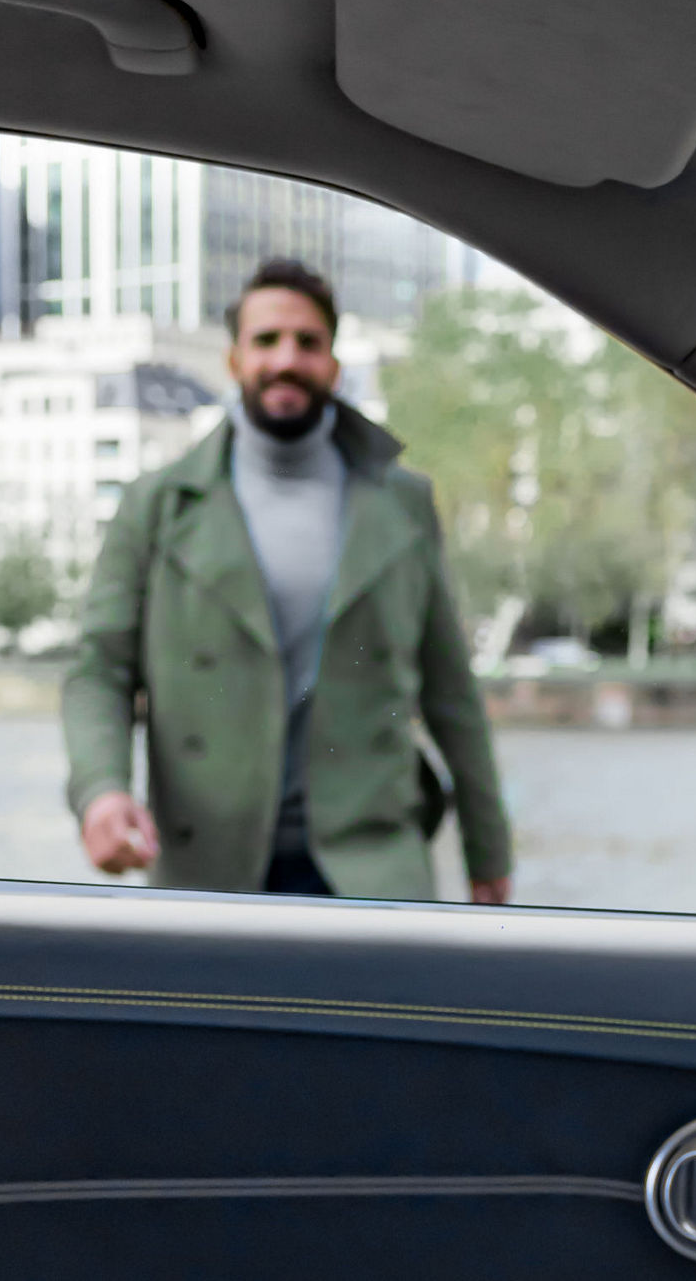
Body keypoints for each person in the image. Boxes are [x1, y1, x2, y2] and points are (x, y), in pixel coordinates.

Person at [62, 259, 514, 902]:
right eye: (266, 340)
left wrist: (487, 852)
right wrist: (101, 793)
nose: (286, 359)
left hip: (374, 869)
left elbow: (452, 695)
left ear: (333, 363)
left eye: (308, 342)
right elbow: (98, 670)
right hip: (206, 871)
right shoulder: (157, 506)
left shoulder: (402, 502)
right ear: (234, 359)